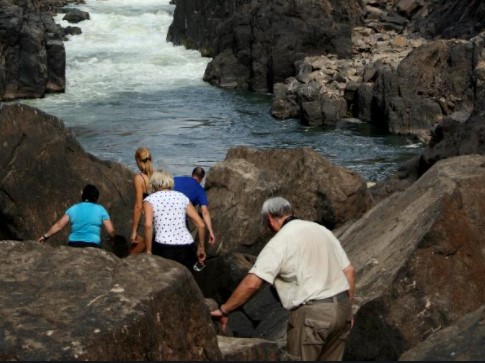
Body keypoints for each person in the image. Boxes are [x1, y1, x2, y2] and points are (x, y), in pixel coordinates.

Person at [211, 196, 355, 361]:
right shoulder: (322, 230)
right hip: (342, 308)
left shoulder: (280, 241)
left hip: (313, 315)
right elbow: (349, 271)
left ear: (270, 219)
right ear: (291, 213)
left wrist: (225, 310)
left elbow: (252, 283)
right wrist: (348, 310)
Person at [143, 170, 206, 270]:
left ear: (153, 183)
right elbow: (201, 225)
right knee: (187, 276)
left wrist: (149, 250)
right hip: (186, 245)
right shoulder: (182, 197)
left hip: (164, 245)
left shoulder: (150, 200)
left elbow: (148, 225)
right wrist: (201, 247)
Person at [38, 184, 115, 248]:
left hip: (73, 244)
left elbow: (59, 225)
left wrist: (45, 236)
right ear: (96, 198)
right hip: (93, 245)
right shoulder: (101, 210)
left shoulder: (73, 208)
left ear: (83, 195)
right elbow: (111, 231)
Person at [174, 167, 215, 245]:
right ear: (202, 179)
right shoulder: (200, 190)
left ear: (192, 174)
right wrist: (211, 232)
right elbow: (205, 212)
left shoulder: (176, 179)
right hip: (181, 220)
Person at [129, 146, 154, 254]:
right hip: (156, 220)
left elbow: (139, 206)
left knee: (133, 256)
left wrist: (134, 230)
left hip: (144, 221)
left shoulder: (139, 178)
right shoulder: (157, 175)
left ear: (138, 161)